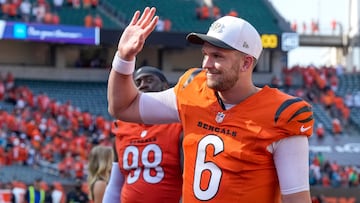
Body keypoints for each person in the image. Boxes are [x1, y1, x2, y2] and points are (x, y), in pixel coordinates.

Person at [107, 7, 314, 203]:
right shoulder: (192, 90)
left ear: (246, 63)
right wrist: (124, 57)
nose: (206, 64)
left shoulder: (281, 114)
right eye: (205, 54)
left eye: (217, 56)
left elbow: (296, 199)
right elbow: (123, 106)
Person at [103, 66, 183, 203]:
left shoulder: (179, 126)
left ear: (165, 87)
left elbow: (189, 179)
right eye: (138, 82)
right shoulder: (121, 129)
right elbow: (116, 184)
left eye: (149, 80)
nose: (143, 85)